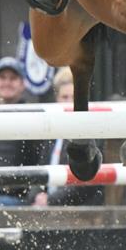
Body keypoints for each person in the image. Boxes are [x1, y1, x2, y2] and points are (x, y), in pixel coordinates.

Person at [0, 57, 49, 208]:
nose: (7, 83)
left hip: (16, 199)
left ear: (23, 85)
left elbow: (41, 161)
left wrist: (34, 194)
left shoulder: (32, 118)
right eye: (2, 77)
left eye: (13, 78)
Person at [33, 68, 105, 207]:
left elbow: (85, 184)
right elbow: (40, 170)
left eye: (74, 97)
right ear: (56, 99)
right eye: (64, 97)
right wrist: (36, 196)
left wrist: (50, 200)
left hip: (81, 212)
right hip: (46, 208)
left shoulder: (90, 133)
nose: (69, 103)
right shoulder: (51, 133)